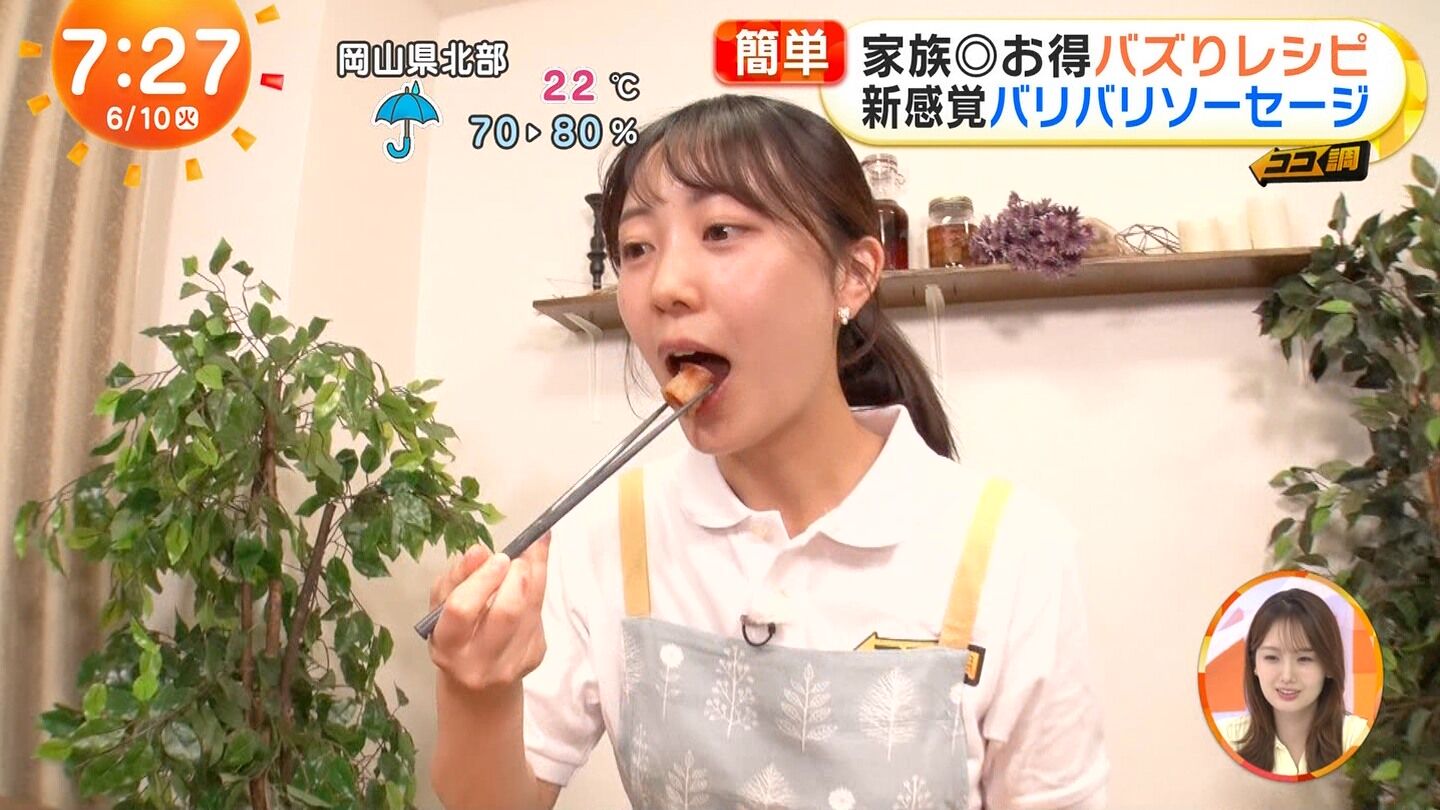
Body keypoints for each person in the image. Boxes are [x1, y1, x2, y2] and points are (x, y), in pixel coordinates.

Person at [426, 94, 1108, 810]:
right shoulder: (607, 531)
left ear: (852, 275)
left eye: (721, 231)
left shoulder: (1012, 549)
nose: (665, 287)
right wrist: (479, 692)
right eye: (637, 249)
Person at [1219, 588, 1371, 776]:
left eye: (1304, 659)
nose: (1287, 676)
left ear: (1329, 666)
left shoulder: (1358, 737)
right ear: (1254, 664)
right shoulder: (1226, 739)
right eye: (1272, 657)